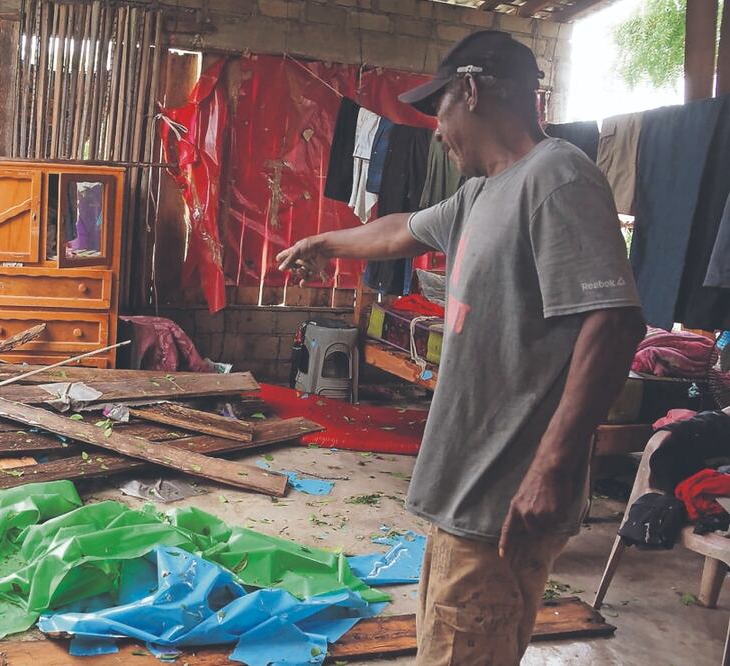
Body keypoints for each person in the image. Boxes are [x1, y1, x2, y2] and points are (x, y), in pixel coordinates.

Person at [276, 31, 646, 665]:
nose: (437, 130)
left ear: (471, 90)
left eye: (438, 109)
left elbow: (613, 323)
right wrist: (324, 244)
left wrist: (551, 468)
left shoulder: (557, 178)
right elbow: (401, 230)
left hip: (502, 502)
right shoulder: (480, 194)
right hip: (465, 494)